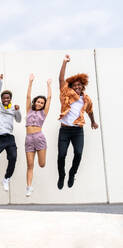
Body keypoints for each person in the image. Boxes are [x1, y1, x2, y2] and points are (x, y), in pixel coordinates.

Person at [57, 54, 99, 189]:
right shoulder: (65, 93)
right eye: (75, 85)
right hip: (65, 130)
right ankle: (62, 174)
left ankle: (72, 173)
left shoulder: (86, 99)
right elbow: (61, 79)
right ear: (71, 86)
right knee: (62, 154)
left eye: (79, 85)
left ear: (83, 87)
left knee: (79, 153)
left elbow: (90, 111)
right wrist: (64, 62)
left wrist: (93, 122)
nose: (77, 87)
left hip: (77, 130)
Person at [0, 74, 22, 194]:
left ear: (10, 99)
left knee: (13, 158)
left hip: (9, 138)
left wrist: (18, 110)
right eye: (4, 98)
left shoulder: (13, 108)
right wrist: (0, 82)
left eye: (8, 98)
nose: (5, 100)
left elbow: (19, 120)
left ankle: (6, 178)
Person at [24, 74, 52, 196]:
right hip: (29, 139)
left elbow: (50, 98)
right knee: (30, 165)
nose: (40, 103)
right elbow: (28, 96)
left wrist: (48, 85)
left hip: (39, 138)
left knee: (41, 164)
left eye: (42, 102)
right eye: (38, 101)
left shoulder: (43, 113)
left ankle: (44, 150)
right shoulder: (29, 110)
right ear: (35, 102)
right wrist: (30, 82)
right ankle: (29, 187)